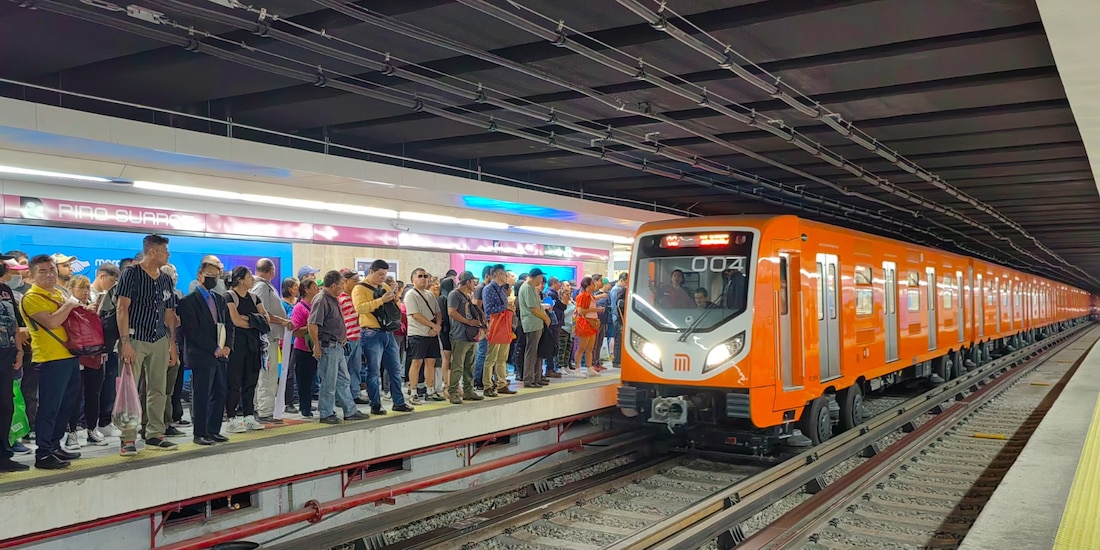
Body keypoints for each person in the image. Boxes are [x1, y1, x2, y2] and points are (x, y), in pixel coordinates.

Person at [115, 235, 180, 455]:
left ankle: (154, 433)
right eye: (165, 251)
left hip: (159, 338)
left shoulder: (165, 279)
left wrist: (172, 344)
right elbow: (122, 308)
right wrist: (125, 342)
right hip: (135, 338)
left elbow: (169, 313)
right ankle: (128, 438)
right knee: (128, 389)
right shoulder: (131, 274)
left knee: (158, 389)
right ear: (152, 251)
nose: (168, 255)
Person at [21, 254, 83, 469]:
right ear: (31, 274)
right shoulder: (31, 298)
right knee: (49, 407)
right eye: (43, 271)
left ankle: (55, 445)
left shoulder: (58, 292)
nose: (49, 275)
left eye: (52, 270)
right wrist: (71, 304)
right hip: (49, 358)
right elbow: (52, 321)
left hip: (69, 355)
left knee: (66, 405)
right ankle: (44, 453)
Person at [177, 261, 233, 446]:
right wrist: (213, 348)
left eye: (216, 275)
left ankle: (213, 430)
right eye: (209, 274)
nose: (213, 278)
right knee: (202, 393)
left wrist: (227, 346)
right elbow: (192, 331)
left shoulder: (219, 299)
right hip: (201, 354)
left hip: (221, 354)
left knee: (220, 391)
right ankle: (199, 432)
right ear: (200, 275)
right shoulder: (187, 302)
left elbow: (228, 325)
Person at [352, 260, 414, 415]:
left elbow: (396, 308)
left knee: (395, 369)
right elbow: (360, 308)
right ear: (371, 271)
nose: (382, 277)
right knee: (373, 371)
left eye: (385, 275)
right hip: (371, 333)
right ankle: (375, 404)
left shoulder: (384, 287)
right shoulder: (359, 288)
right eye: (380, 274)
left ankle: (398, 402)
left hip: (388, 333)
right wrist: (381, 300)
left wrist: (395, 299)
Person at [309, 271, 369, 424]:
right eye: (341, 285)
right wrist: (316, 346)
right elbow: (313, 324)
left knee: (343, 379)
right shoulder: (322, 299)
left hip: (338, 346)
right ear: (334, 285)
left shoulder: (333, 299)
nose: (343, 288)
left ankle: (350, 410)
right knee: (329, 382)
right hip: (328, 347)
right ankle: (326, 412)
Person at [62, 275, 108, 449]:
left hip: (95, 354)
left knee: (94, 393)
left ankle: (92, 430)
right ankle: (71, 432)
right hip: (76, 354)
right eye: (81, 288)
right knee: (74, 395)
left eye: (87, 288)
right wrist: (81, 309)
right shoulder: (67, 305)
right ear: (71, 288)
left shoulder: (96, 306)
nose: (85, 291)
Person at [224, 266, 267, 433]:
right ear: (240, 279)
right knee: (234, 382)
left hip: (253, 344)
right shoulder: (229, 296)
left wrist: (251, 319)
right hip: (235, 344)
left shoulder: (254, 297)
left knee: (251, 381)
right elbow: (235, 320)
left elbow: (265, 319)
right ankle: (232, 417)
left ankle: (249, 416)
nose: (253, 279)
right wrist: (254, 320)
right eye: (250, 276)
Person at [252, 258, 292, 424]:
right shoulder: (261, 286)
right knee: (268, 375)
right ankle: (264, 410)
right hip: (266, 338)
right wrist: (282, 321)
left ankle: (260, 407)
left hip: (270, 337)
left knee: (267, 374)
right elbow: (262, 312)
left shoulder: (263, 285)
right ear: (271, 270)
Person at [0, 256, 28, 472]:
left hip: (7, 355)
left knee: (6, 406)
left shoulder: (6, 291)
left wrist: (19, 351)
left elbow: (17, 324)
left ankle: (3, 453)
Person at [404, 268, 444, 404]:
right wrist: (433, 326)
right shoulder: (410, 295)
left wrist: (437, 326)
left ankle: (430, 390)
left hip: (432, 334)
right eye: (420, 276)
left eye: (425, 276)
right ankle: (414, 392)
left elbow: (438, 312)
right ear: (413, 279)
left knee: (431, 362)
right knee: (416, 362)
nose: (423, 279)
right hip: (417, 334)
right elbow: (415, 315)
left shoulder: (430, 294)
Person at [446, 271, 485, 404]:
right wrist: (468, 322)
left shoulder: (468, 296)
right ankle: (453, 392)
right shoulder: (454, 295)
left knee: (470, 365)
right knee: (458, 365)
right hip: (459, 335)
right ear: (467, 282)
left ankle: (469, 390)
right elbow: (451, 312)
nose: (475, 284)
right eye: (473, 281)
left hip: (470, 336)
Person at [482, 264, 518, 396]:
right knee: (491, 357)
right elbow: (489, 309)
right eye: (504, 274)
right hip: (495, 325)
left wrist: (508, 307)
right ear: (497, 274)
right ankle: (487, 385)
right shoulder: (488, 289)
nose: (506, 277)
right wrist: (506, 307)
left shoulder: (502, 289)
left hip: (505, 325)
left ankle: (502, 383)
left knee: (502, 357)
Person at [290, 279, 320, 417]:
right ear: (307, 290)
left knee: (313, 378)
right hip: (303, 348)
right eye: (314, 287)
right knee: (304, 380)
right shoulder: (299, 308)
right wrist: (311, 327)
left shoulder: (317, 305)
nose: (318, 289)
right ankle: (305, 407)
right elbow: (295, 331)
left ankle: (308, 404)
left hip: (317, 347)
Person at [338, 269, 368, 405]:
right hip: (346, 339)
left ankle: (355, 393)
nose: (357, 284)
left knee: (355, 368)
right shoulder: (340, 298)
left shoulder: (356, 297)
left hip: (357, 337)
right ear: (346, 281)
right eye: (355, 281)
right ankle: (340, 397)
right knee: (343, 371)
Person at [518, 268, 551, 388]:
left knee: (537, 352)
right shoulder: (527, 288)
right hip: (532, 323)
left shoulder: (531, 288)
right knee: (531, 353)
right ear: (536, 277)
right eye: (541, 278)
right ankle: (528, 379)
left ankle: (537, 377)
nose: (542, 281)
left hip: (537, 323)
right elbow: (533, 308)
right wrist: (546, 318)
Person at [573, 276, 604, 377]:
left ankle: (589, 367)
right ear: (588, 285)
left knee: (590, 348)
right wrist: (596, 310)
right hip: (585, 323)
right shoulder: (582, 296)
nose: (594, 286)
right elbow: (581, 311)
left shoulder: (590, 296)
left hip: (592, 323)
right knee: (581, 347)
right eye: (593, 284)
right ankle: (577, 369)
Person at [280, 276, 300, 413]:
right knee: (289, 371)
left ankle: (300, 397)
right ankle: (288, 402)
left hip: (300, 341)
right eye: (295, 286)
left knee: (300, 371)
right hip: (288, 342)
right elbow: (286, 320)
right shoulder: (283, 304)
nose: (297, 289)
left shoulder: (298, 302)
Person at [437, 277, 455, 397]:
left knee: (449, 359)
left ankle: (451, 384)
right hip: (446, 332)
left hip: (449, 331)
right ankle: (447, 384)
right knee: (447, 358)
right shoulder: (443, 299)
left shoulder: (445, 298)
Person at [608, 272, 629, 369]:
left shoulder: (622, 290)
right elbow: (614, 306)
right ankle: (616, 360)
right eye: (626, 281)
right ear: (621, 280)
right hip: (617, 319)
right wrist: (618, 317)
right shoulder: (616, 290)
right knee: (618, 340)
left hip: (620, 318)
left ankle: (619, 360)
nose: (626, 284)